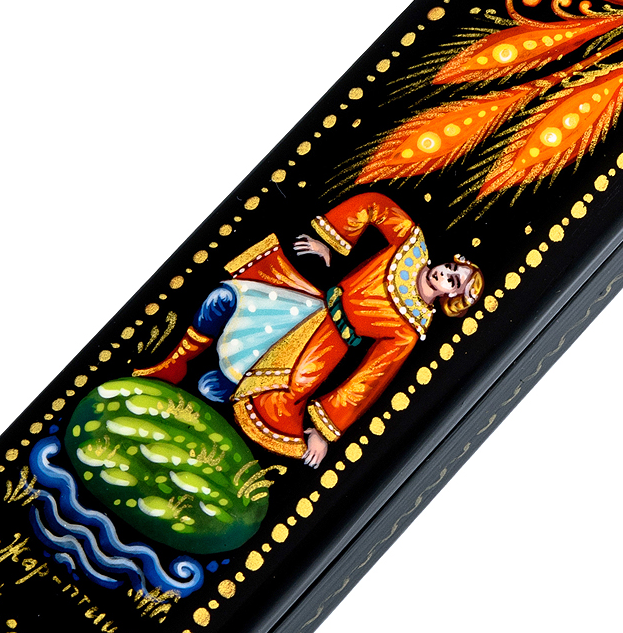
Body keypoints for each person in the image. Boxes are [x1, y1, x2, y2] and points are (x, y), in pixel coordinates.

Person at [135, 192, 482, 467]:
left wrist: (322, 431)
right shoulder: (411, 245)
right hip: (307, 305)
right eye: (451, 267)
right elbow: (375, 205)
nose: (445, 274)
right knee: (227, 297)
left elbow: (369, 379)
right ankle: (175, 364)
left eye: (453, 280)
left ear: (450, 295)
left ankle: (200, 415)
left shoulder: (410, 327)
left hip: (323, 351)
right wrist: (334, 242)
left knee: (249, 391)